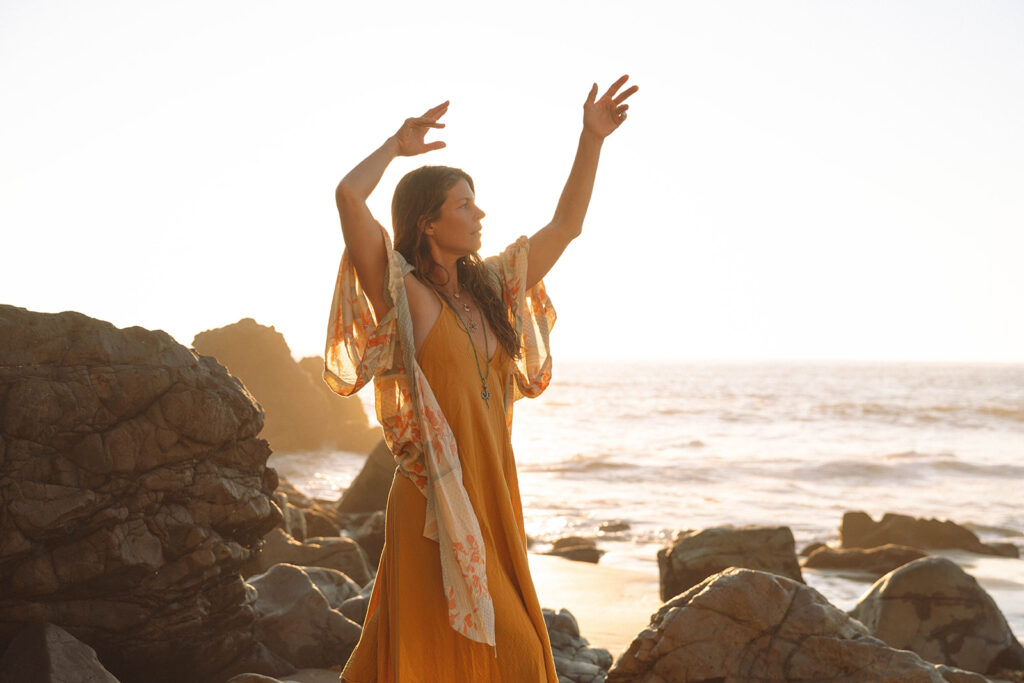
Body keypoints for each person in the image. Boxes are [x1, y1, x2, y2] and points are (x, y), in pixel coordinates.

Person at [324, 75, 637, 683]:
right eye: (463, 204)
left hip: (494, 490)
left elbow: (566, 226)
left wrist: (591, 138)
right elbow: (347, 197)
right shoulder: (401, 294)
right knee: (493, 656)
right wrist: (394, 145)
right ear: (427, 225)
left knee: (492, 655)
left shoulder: (491, 286)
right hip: (435, 502)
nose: (480, 212)